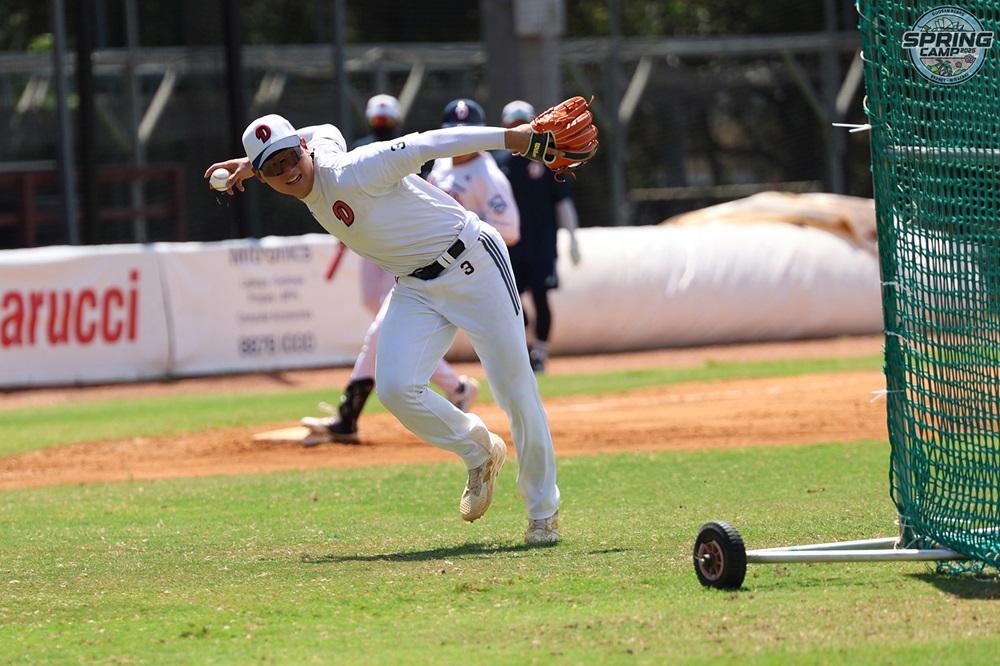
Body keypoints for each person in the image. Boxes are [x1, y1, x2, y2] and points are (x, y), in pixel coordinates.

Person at [204, 110, 561, 544]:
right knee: (394, 388)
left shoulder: (354, 169)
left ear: (301, 149)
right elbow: (324, 128)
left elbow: (429, 142)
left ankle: (543, 512)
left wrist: (513, 138)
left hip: (472, 262)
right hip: (416, 286)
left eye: (289, 157)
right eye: (273, 168)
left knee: (514, 389)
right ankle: (479, 450)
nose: (288, 171)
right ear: (262, 178)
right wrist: (249, 162)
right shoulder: (316, 151)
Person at [300, 94, 480, 445]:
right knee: (377, 316)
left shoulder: (400, 152)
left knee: (380, 331)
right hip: (380, 246)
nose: (382, 125)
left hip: (414, 253)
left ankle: (349, 416)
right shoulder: (362, 150)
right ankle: (456, 387)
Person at [495, 100, 582, 373]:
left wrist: (573, 238)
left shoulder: (549, 160)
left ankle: (540, 353)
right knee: (512, 301)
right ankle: (523, 349)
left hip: (542, 243)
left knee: (542, 297)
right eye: (514, 125)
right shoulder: (497, 163)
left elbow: (562, 202)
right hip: (510, 245)